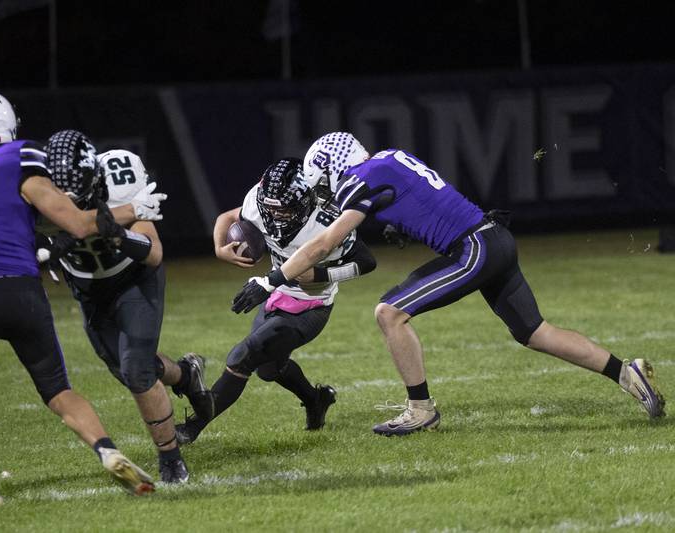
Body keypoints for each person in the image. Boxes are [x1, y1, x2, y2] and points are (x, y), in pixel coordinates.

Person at [231, 132, 666, 437]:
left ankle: (420, 408)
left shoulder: (360, 180)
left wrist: (271, 280)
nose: (323, 192)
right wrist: (408, 221)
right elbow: (425, 196)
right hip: (493, 237)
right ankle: (625, 371)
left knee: (389, 313)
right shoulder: (390, 159)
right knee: (535, 332)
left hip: (472, 248)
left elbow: (323, 243)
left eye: (322, 183)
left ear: (331, 170)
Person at [0, 90, 164, 507]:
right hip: (24, 293)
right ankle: (107, 450)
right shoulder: (20, 156)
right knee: (59, 391)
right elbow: (76, 224)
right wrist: (132, 209)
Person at [39, 132, 213, 483]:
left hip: (132, 276)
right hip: (87, 286)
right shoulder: (34, 187)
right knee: (129, 370)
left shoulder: (120, 174)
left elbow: (153, 252)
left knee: (136, 372)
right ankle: (184, 373)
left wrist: (114, 233)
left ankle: (170, 459)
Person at [175, 157, 376, 444]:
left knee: (244, 355)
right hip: (278, 293)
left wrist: (321, 273)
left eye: (284, 210)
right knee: (268, 368)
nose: (276, 217)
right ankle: (316, 399)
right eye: (272, 210)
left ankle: (193, 427)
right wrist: (220, 248)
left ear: (306, 201)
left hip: (312, 305)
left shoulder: (327, 219)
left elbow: (367, 261)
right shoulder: (259, 203)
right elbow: (227, 218)